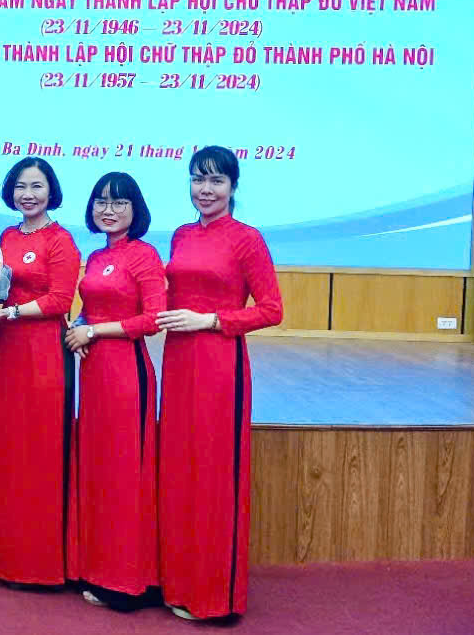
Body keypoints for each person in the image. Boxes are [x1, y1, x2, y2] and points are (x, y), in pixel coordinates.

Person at [157, 146, 283, 619]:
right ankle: (177, 582)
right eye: (197, 179)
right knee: (179, 470)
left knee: (213, 475)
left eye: (215, 181)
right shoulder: (182, 235)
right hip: (178, 363)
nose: (205, 190)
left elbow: (271, 309)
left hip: (219, 365)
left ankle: (214, 597)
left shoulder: (247, 239)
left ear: (233, 187)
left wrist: (210, 319)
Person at [0, 157, 81, 585]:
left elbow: (59, 301)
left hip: (43, 355)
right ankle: (0, 554)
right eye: (21, 186)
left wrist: (11, 311)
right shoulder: (5, 236)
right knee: (6, 445)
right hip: (7, 351)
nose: (28, 194)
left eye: (36, 186)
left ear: (50, 191)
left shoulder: (62, 241)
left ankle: (37, 563)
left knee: (38, 452)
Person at [64, 172, 164, 610]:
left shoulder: (144, 256)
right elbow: (90, 308)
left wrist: (95, 330)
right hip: (95, 376)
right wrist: (79, 326)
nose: (109, 209)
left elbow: (153, 319)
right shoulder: (97, 254)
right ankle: (98, 567)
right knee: (100, 472)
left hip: (127, 376)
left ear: (135, 210)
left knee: (126, 476)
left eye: (119, 203)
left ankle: (128, 583)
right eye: (101, 201)